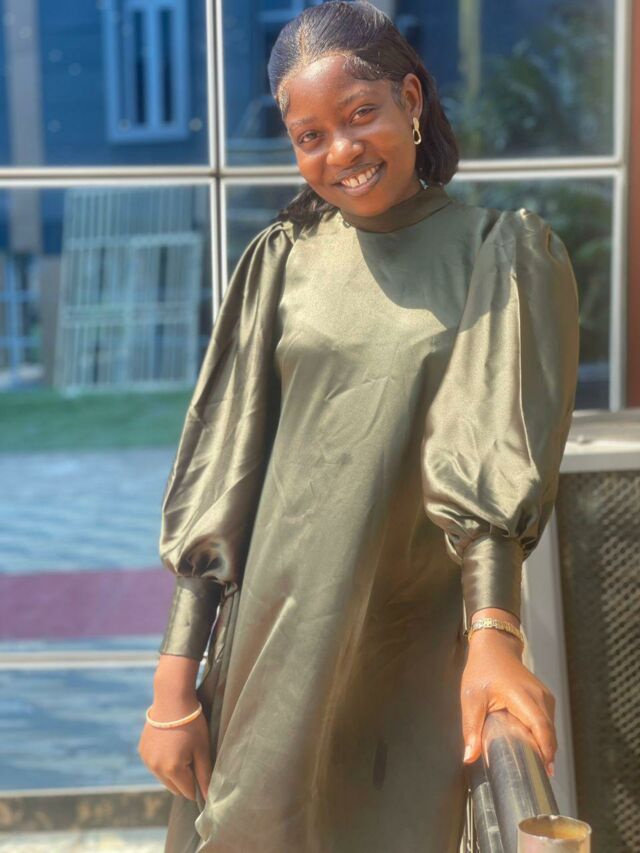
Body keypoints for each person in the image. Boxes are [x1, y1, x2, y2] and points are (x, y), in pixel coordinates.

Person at [138, 2, 580, 851]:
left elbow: (491, 461)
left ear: (410, 100)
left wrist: (494, 637)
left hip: (405, 650)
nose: (340, 151)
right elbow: (223, 470)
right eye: (309, 136)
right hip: (269, 644)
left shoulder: (499, 257)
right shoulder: (281, 259)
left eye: (360, 114)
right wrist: (174, 683)